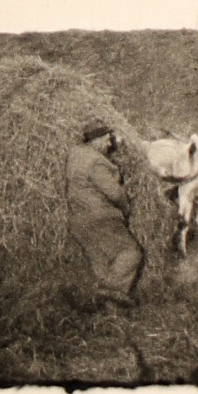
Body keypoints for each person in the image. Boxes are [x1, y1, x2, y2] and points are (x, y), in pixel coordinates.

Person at [66, 118, 143, 307]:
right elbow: (114, 193)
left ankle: (108, 315)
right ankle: (109, 292)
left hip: (78, 221)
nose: (110, 144)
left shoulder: (75, 156)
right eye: (107, 139)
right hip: (100, 218)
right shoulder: (95, 162)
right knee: (131, 253)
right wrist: (126, 207)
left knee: (103, 266)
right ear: (97, 139)